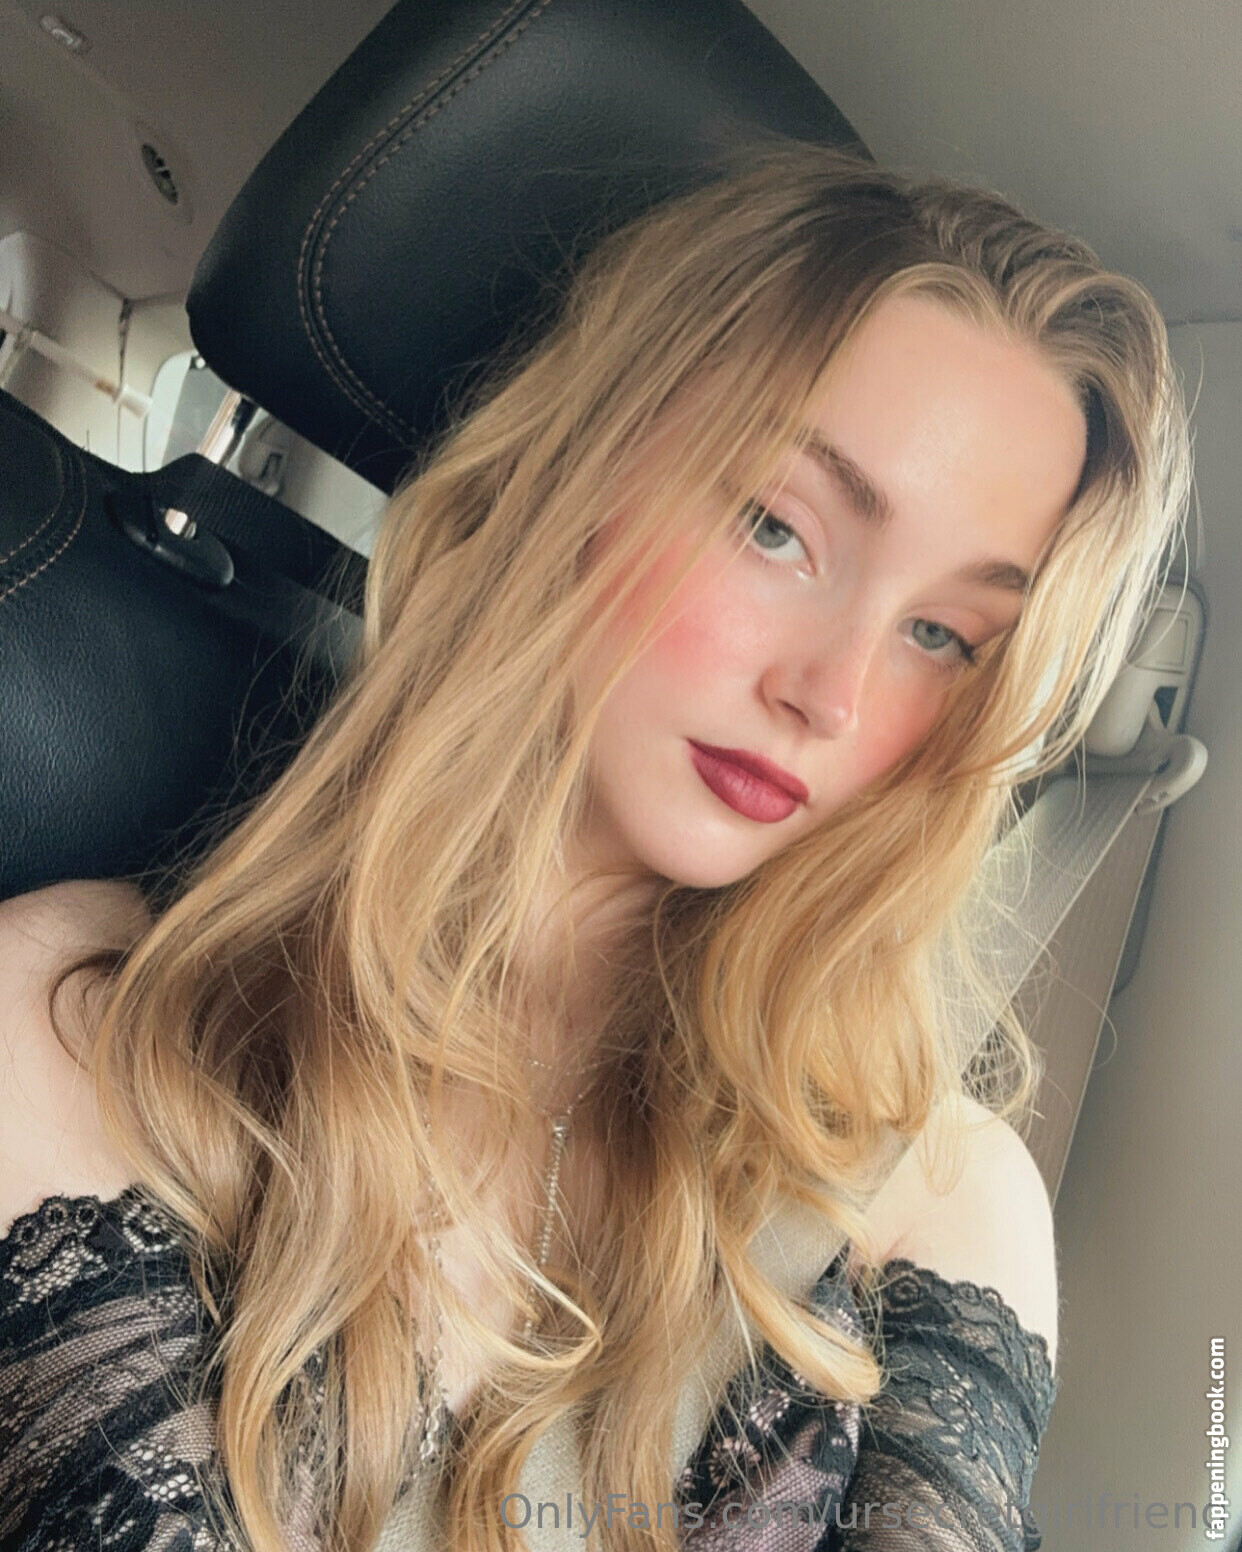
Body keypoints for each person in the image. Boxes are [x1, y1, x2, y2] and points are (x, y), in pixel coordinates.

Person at [0, 141, 1189, 1552]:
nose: (836, 694)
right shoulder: (83, 1025)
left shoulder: (939, 1201)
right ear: (574, 465)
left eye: (942, 633)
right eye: (777, 528)